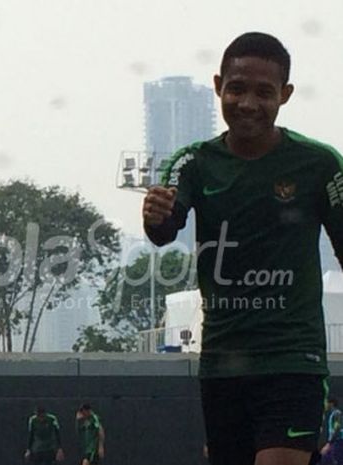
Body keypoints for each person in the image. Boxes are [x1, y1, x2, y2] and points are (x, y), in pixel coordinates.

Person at [142, 31, 343, 465]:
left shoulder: (319, 164)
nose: (248, 103)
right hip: (222, 363)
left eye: (263, 92)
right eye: (236, 89)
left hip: (293, 360)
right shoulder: (192, 162)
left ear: (285, 95)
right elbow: (164, 229)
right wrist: (154, 216)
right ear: (218, 86)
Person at [321, 397, 343, 465]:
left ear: (331, 404)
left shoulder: (337, 413)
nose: (325, 404)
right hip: (336, 442)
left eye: (327, 403)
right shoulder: (334, 414)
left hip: (338, 442)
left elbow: (337, 429)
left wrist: (328, 444)